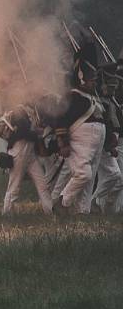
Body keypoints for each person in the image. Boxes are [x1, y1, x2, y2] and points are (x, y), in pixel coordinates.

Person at [55, 42, 108, 214]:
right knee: (83, 174)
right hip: (81, 141)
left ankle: (82, 211)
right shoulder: (74, 96)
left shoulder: (93, 97)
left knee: (90, 177)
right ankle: (63, 201)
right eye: (91, 78)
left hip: (96, 142)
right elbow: (62, 120)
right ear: (81, 78)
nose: (94, 81)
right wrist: (62, 143)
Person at [0, 105, 53, 215]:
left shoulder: (32, 111)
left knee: (42, 183)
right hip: (19, 149)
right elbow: (23, 132)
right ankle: (6, 212)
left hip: (30, 151)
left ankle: (49, 211)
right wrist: (37, 133)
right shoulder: (18, 110)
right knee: (14, 185)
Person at [90, 63, 123, 213]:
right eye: (111, 87)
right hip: (100, 142)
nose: (113, 90)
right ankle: (93, 203)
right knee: (113, 176)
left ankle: (99, 206)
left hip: (108, 142)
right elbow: (104, 124)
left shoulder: (108, 100)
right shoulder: (96, 99)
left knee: (113, 177)